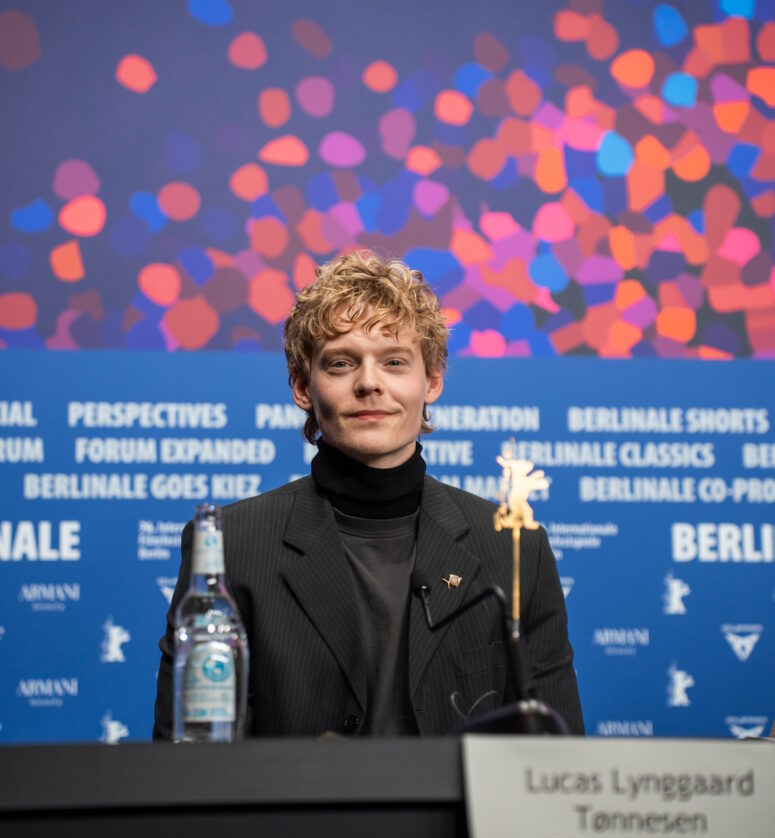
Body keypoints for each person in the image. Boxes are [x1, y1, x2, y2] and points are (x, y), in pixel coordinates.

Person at [154, 251, 584, 737]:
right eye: (341, 364)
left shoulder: (515, 549)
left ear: (432, 381)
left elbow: (555, 766)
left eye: (395, 362)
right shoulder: (232, 546)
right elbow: (193, 764)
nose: (369, 384)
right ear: (302, 386)